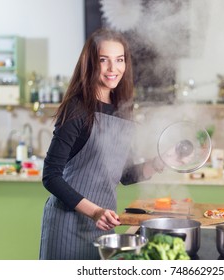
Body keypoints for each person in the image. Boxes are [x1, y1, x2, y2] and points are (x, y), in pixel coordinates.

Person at [39, 28, 165, 260]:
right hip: (67, 226)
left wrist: (161, 162)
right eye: (103, 60)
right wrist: (95, 211)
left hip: (104, 226)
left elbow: (124, 175)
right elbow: (51, 176)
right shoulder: (77, 109)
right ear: (90, 64)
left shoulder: (122, 112)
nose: (112, 69)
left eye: (119, 60)